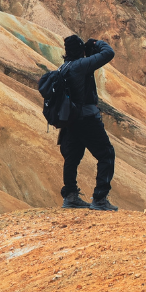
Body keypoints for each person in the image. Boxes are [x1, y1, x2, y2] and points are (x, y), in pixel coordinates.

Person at [58, 34, 118, 211]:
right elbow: (108, 53)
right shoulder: (81, 66)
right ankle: (100, 198)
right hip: (87, 119)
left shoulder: (64, 67)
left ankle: (70, 196)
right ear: (81, 50)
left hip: (70, 121)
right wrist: (96, 43)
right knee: (106, 154)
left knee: (72, 158)